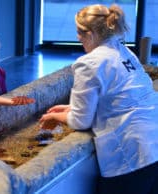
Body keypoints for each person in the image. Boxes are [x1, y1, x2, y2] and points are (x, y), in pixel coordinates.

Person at [39, 4, 158, 194]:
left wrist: (56, 117)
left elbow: (81, 121)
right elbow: (119, 97)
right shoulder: (124, 52)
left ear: (92, 33)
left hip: (131, 153)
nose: (77, 37)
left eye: (80, 32)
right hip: (153, 140)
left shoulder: (88, 63)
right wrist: (70, 108)